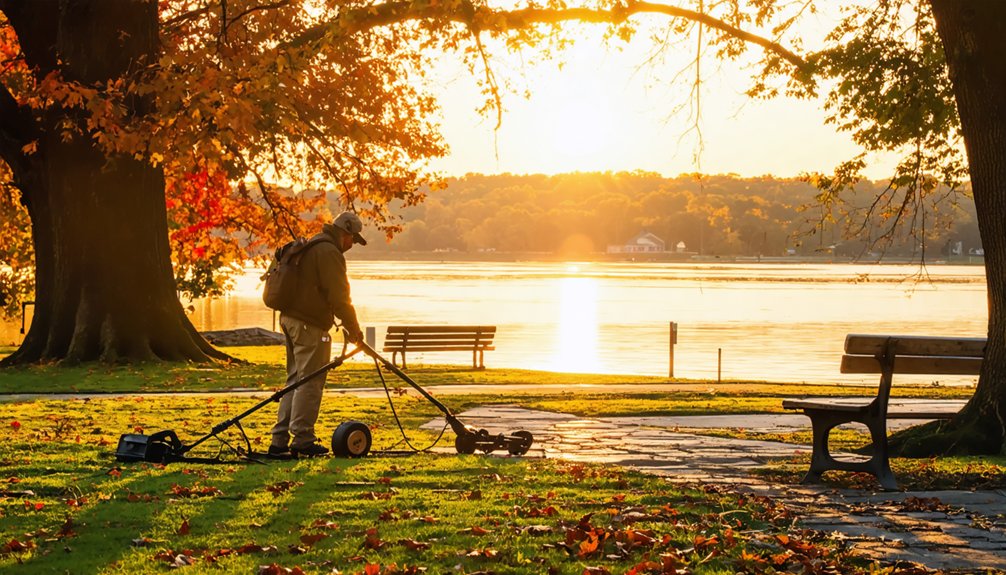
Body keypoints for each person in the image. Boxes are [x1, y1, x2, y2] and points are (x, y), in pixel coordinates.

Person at [269, 211, 366, 458]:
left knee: (295, 380)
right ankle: (302, 439)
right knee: (310, 382)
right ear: (345, 233)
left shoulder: (312, 244)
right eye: (353, 240)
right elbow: (340, 298)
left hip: (290, 319)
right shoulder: (329, 252)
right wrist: (354, 330)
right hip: (308, 325)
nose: (352, 245)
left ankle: (279, 440)